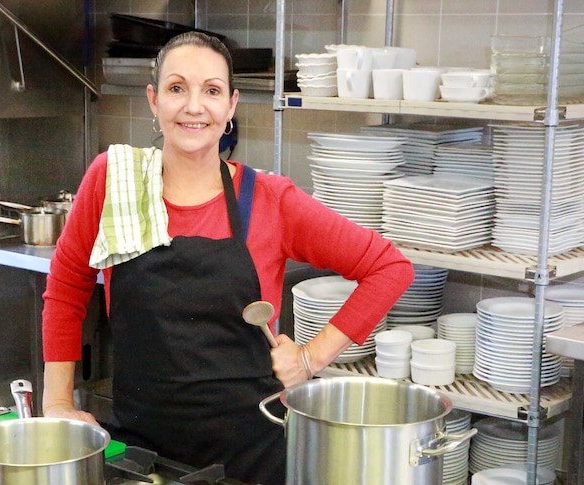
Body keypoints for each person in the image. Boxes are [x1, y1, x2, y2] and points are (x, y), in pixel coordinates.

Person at [41, 31, 415, 484]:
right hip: (142, 452)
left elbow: (389, 267)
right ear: (153, 100)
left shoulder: (271, 199)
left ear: (231, 105)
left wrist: (313, 358)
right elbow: (66, 290)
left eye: (212, 91)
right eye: (177, 88)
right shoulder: (114, 181)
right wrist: (58, 403)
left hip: (251, 455)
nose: (194, 106)